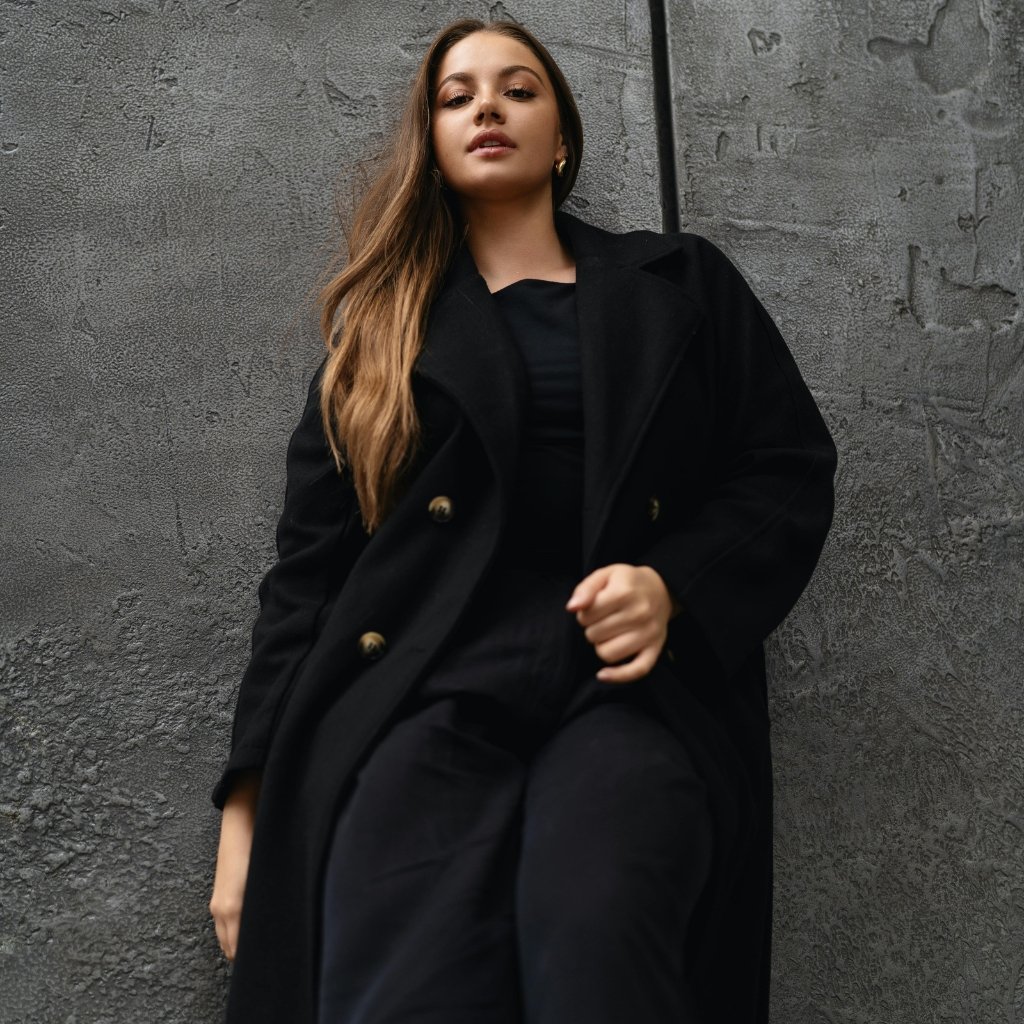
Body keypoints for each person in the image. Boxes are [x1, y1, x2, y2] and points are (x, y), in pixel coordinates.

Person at [208, 16, 837, 1024]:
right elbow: (305, 582)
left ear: (563, 139)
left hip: (628, 691)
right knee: (402, 981)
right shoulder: (380, 336)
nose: (487, 107)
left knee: (597, 945)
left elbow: (786, 468)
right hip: (424, 690)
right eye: (456, 96)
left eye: (518, 89)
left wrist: (673, 584)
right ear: (432, 142)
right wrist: (247, 817)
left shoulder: (680, 285)